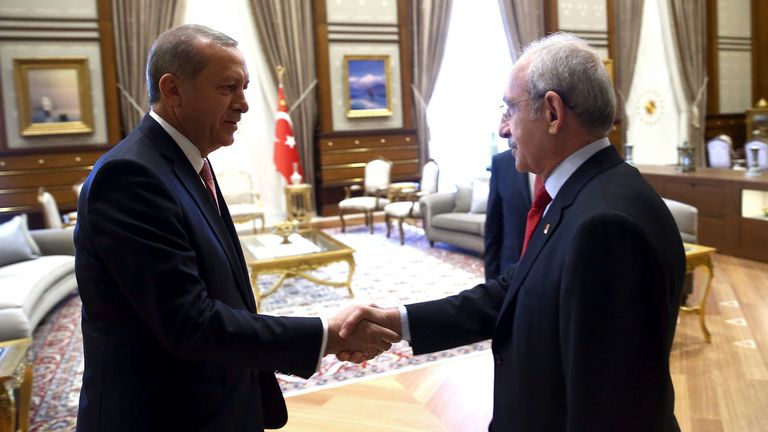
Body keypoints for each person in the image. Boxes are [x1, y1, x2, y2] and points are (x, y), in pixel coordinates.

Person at [339, 32, 686, 431]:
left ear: (553, 113)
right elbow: (514, 290)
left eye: (510, 109)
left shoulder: (605, 225)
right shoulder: (585, 194)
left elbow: (610, 409)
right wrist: (396, 321)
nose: (503, 128)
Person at [74, 24, 398, 432]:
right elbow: (190, 322)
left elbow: (223, 296)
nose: (244, 105)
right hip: (162, 415)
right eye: (228, 88)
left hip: (214, 403)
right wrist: (326, 335)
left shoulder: (188, 162)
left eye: (245, 87)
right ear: (173, 90)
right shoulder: (130, 177)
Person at [483, 148, 531, 279]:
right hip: (509, 274)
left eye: (511, 124)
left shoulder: (572, 161)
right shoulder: (501, 162)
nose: (503, 130)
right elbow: (493, 228)